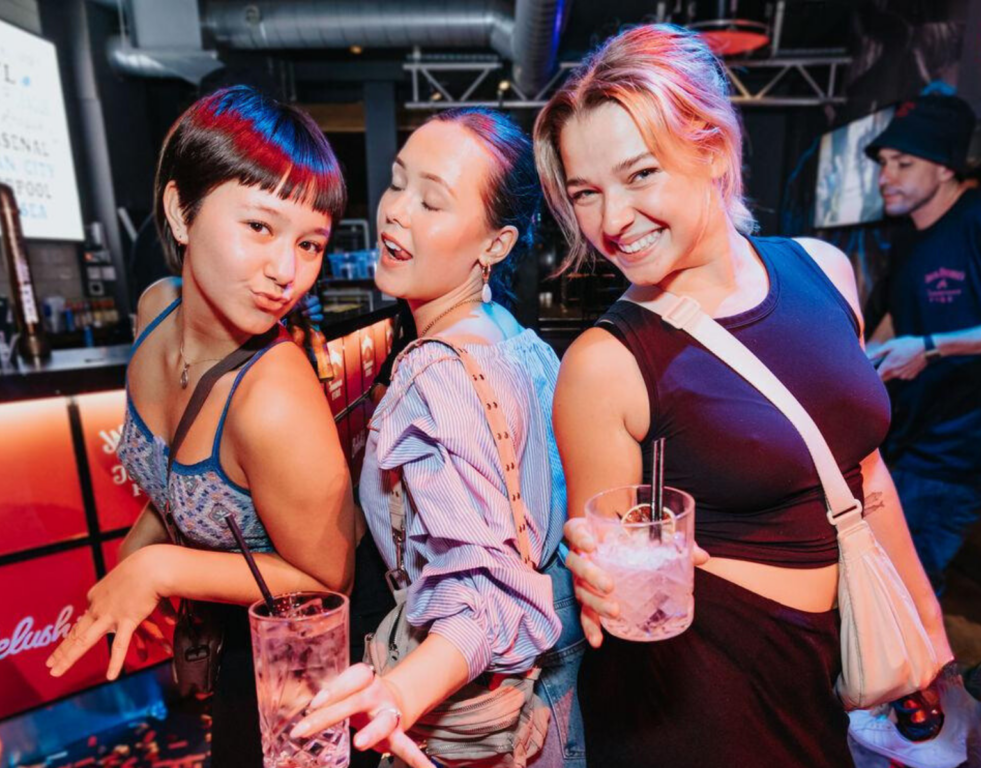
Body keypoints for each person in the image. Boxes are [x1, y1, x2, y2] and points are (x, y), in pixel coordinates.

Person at [532, 24, 954, 767]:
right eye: (586, 194)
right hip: (698, 698)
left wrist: (927, 632)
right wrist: (596, 575)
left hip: (819, 674)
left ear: (713, 150)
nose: (613, 220)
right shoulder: (607, 361)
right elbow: (610, 561)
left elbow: (867, 476)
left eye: (639, 175)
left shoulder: (823, 272)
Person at [45, 85, 358, 766]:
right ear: (180, 213)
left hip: (300, 674)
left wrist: (161, 567)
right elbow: (183, 490)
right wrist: (140, 552)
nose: (286, 271)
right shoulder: (157, 308)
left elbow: (327, 575)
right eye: (259, 228)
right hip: (226, 646)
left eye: (310, 244)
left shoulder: (273, 395)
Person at [292, 108, 586, 768]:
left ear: (496, 244)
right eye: (398, 184)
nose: (397, 212)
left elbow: (488, 592)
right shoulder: (517, 339)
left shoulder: (435, 373)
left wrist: (400, 688)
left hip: (477, 706)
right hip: (556, 697)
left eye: (432, 200)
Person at [862, 94, 981, 594]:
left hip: (954, 458)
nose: (886, 176)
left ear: (947, 170)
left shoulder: (975, 221)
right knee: (880, 593)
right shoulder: (908, 235)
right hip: (905, 444)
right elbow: (893, 328)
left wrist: (932, 347)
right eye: (884, 163)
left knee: (908, 601)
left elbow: (921, 339)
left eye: (904, 163)